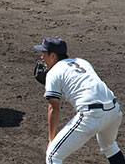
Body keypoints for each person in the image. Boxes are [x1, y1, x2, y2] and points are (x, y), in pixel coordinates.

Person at [33, 36, 125, 164]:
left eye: (44, 53)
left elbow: (53, 108)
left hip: (92, 115)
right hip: (114, 111)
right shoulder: (82, 62)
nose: (42, 57)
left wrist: (51, 140)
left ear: (53, 56)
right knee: (110, 147)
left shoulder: (53, 73)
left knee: (52, 156)